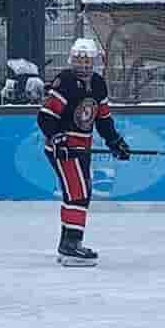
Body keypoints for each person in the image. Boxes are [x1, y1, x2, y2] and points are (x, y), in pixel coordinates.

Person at [37, 36, 131, 266]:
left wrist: (114, 141)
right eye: (79, 60)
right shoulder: (65, 82)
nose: (84, 65)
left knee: (80, 193)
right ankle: (71, 246)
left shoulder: (98, 83)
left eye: (87, 60)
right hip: (65, 149)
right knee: (77, 194)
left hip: (82, 148)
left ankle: (68, 243)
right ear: (72, 60)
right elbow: (46, 117)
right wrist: (57, 138)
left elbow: (103, 118)